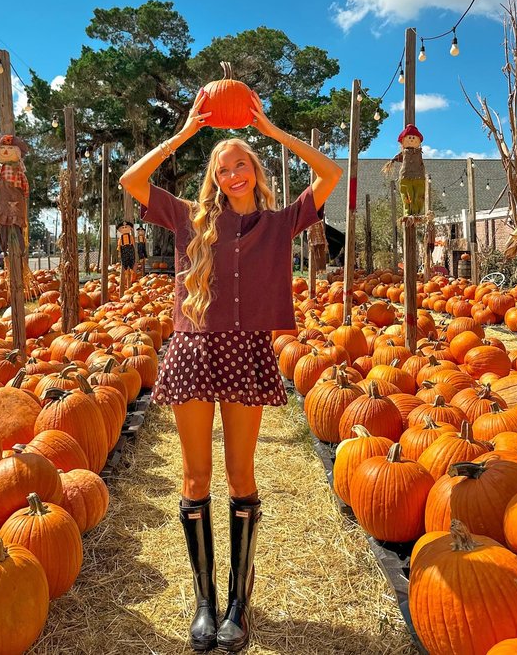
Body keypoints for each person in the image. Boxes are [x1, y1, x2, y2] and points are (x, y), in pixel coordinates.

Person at [120, 90, 342, 652]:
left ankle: (239, 603)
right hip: (194, 352)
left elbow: (331, 174)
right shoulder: (190, 219)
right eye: (223, 168)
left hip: (247, 352)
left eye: (241, 163)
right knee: (196, 479)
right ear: (215, 178)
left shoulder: (280, 222)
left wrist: (272, 130)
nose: (233, 173)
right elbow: (131, 180)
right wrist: (189, 134)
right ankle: (204, 601)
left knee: (241, 477)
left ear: (255, 170)